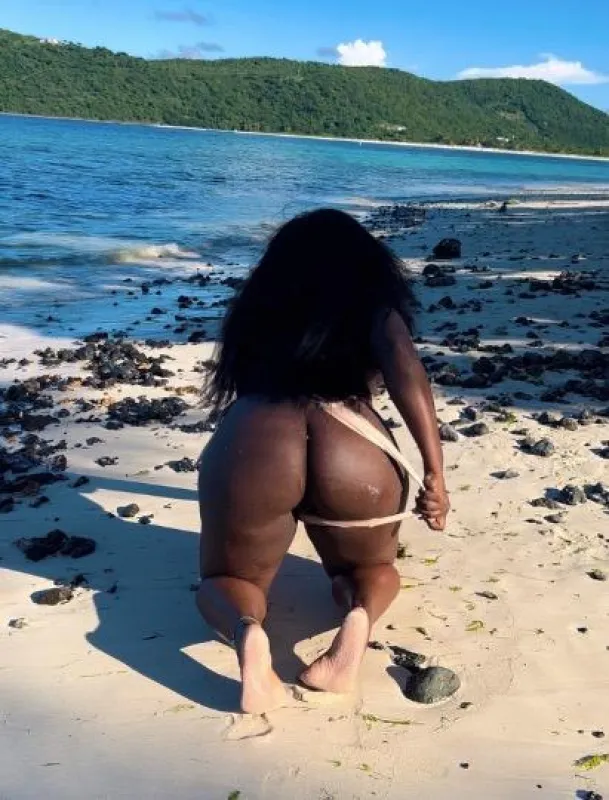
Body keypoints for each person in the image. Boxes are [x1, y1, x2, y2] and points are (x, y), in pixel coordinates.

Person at [196, 209, 450, 714]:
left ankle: (248, 634)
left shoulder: (259, 302)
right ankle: (357, 621)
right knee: (369, 567)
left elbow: (238, 380)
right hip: (351, 442)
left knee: (228, 581)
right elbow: (407, 373)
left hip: (259, 438)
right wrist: (434, 473)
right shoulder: (372, 304)